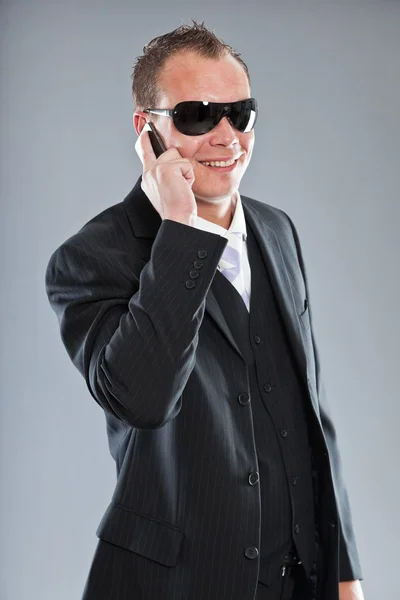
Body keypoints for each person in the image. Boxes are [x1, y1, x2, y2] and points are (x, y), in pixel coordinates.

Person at [45, 20, 364, 600]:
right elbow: (143, 398)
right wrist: (181, 231)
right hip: (176, 584)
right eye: (197, 115)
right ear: (148, 131)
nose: (226, 136)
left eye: (239, 114)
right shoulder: (89, 258)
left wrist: (346, 574)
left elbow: (312, 413)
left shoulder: (277, 229)